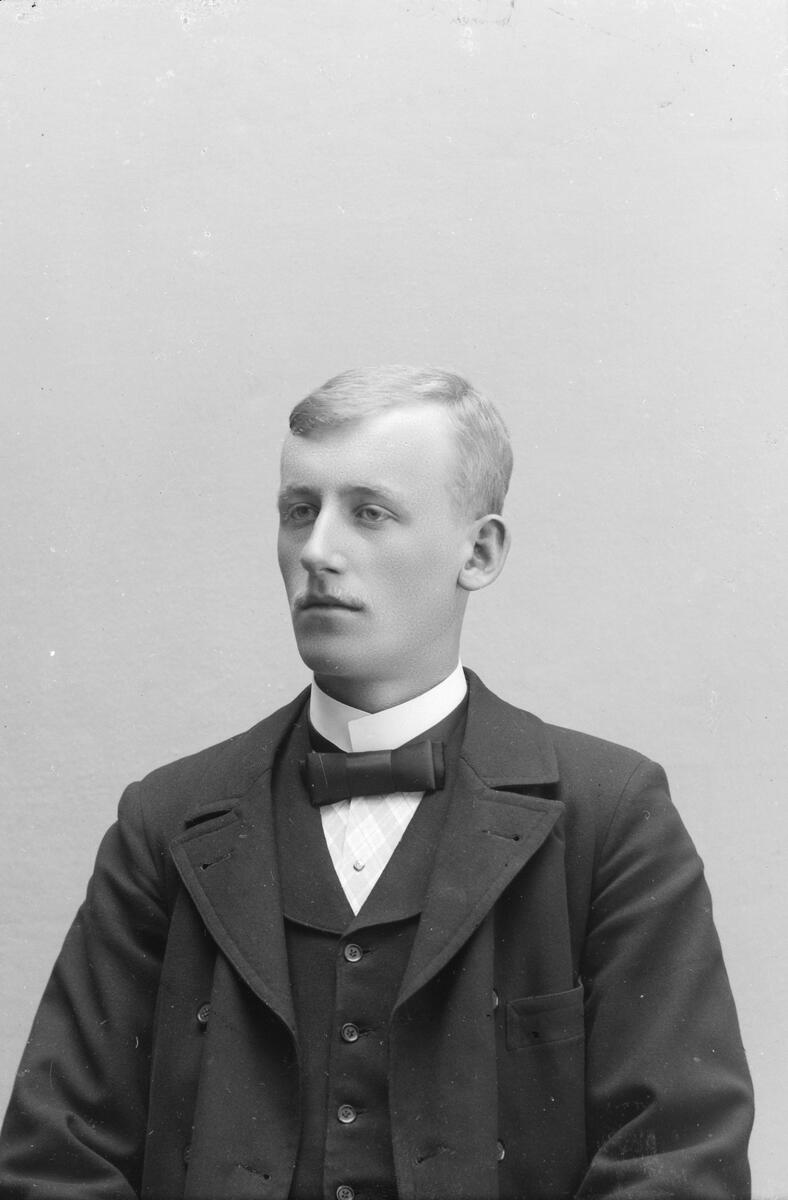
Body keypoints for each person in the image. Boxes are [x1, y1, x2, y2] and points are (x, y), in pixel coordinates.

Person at [0, 365, 753, 1200]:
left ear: (479, 552)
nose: (317, 552)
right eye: (299, 511)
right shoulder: (166, 822)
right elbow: (55, 1159)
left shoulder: (611, 817)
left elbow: (679, 1162)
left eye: (369, 513)